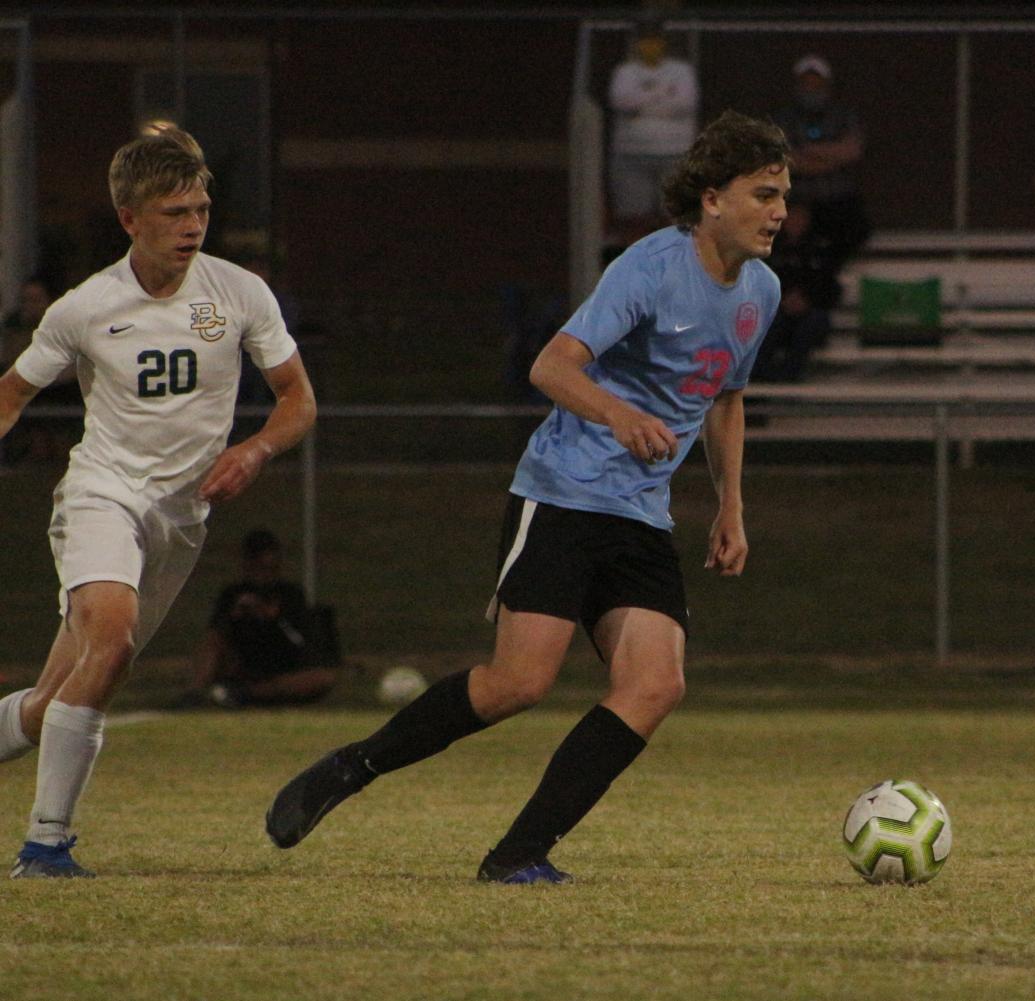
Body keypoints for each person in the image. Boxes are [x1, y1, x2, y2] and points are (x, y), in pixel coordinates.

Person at [264, 110, 789, 885]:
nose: (779, 211)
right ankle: (351, 766)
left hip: (640, 513)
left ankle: (518, 852)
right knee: (518, 684)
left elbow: (726, 399)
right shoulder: (648, 269)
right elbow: (551, 366)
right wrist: (618, 413)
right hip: (565, 492)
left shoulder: (761, 292)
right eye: (763, 193)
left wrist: (731, 505)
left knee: (655, 684)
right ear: (712, 199)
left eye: (783, 195)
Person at [0, 126, 316, 878]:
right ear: (129, 220)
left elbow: (297, 399)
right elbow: (13, 392)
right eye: (175, 212)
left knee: (58, 699)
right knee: (111, 637)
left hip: (180, 518)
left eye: (201, 209)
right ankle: (46, 844)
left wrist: (255, 447)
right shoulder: (85, 307)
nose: (193, 226)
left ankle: (39, 801)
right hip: (103, 491)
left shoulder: (238, 292)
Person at [185, 528, 335, 708]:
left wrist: (275, 618)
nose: (264, 575)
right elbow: (215, 636)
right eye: (258, 568)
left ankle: (245, 695)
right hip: (244, 664)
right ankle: (194, 695)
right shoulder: (233, 594)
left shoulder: (290, 595)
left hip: (283, 666)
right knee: (212, 642)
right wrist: (236, 615)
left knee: (320, 678)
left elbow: (302, 643)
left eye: (270, 568)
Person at [607, 16, 698, 248]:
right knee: (634, 218)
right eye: (645, 39)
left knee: (675, 218)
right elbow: (622, 101)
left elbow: (685, 103)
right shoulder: (625, 72)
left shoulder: (682, 71)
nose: (650, 45)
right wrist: (663, 95)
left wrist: (643, 103)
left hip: (674, 153)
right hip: (631, 154)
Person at [772, 54, 868, 266]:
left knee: (855, 229)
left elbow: (851, 150)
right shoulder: (784, 119)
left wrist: (807, 149)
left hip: (837, 199)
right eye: (806, 84)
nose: (811, 90)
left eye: (817, 85)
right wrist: (830, 157)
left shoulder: (844, 116)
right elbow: (784, 159)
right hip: (796, 200)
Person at [753, 202, 840, 383]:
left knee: (812, 323)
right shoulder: (770, 250)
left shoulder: (821, 250)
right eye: (792, 218)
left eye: (801, 218)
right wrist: (783, 300)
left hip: (812, 312)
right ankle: (760, 377)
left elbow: (829, 287)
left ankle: (790, 375)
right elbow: (760, 284)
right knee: (765, 324)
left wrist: (807, 300)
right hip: (778, 310)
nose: (796, 222)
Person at [0, 274, 75, 466]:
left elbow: (70, 370)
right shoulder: (14, 326)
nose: (30, 306)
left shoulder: (65, 326)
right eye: (26, 300)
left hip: (62, 398)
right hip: (26, 402)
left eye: (36, 300)